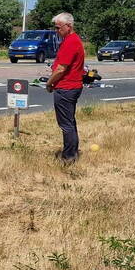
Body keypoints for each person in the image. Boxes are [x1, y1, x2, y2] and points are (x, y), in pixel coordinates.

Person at [45, 12, 85, 164]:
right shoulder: (72, 40)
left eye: (58, 27)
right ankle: (72, 153)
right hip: (71, 86)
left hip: (66, 88)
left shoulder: (70, 42)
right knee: (70, 122)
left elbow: (61, 69)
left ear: (68, 26)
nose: (56, 31)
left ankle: (68, 157)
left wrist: (49, 83)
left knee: (66, 124)